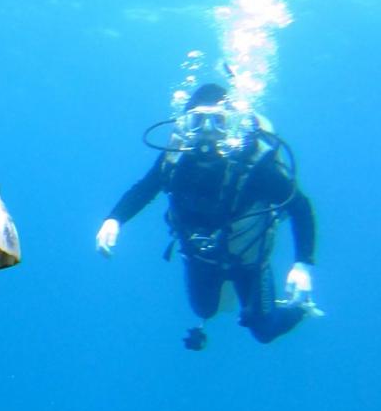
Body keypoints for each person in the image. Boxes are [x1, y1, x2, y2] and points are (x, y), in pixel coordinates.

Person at [96, 83, 319, 350]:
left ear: (232, 124)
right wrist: (114, 220)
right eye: (198, 121)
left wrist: (302, 265)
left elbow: (300, 206)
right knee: (204, 310)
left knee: (263, 330)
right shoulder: (175, 161)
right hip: (200, 257)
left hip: (248, 261)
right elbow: (145, 188)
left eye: (218, 121)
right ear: (184, 125)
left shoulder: (254, 167)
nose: (208, 131)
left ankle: (300, 308)